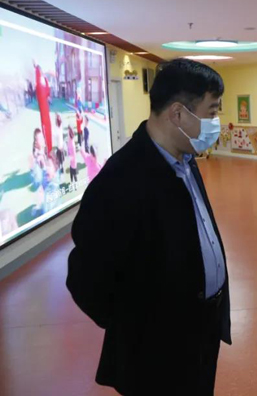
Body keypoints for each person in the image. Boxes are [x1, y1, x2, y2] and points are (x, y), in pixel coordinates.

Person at [66, 59, 231, 396]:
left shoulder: (185, 160)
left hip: (200, 332)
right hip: (155, 353)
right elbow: (86, 279)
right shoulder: (121, 180)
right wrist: (139, 328)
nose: (216, 123)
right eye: (211, 112)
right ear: (178, 114)